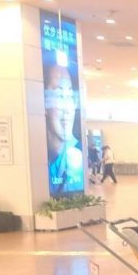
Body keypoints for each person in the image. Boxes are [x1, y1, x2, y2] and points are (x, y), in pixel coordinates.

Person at [44, 65, 84, 194]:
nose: (67, 109)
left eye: (70, 97)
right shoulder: (39, 157)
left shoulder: (76, 158)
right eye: (59, 96)